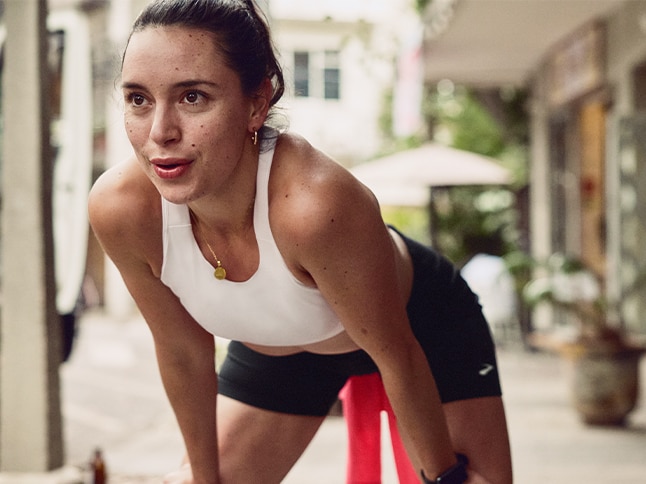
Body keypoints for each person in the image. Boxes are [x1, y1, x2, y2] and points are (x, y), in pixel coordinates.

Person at [88, 0, 512, 482]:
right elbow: (183, 352)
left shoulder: (314, 206)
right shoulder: (121, 209)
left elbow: (397, 353)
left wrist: (444, 477)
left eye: (192, 98)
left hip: (419, 330)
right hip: (282, 350)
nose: (160, 132)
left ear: (256, 103)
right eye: (138, 99)